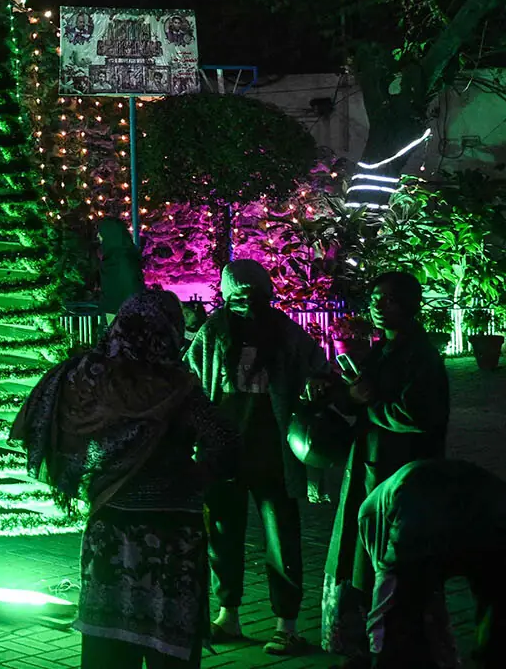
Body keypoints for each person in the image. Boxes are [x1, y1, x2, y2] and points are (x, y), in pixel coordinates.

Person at [11, 290, 237, 668]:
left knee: (108, 640)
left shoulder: (83, 378)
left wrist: (91, 473)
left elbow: (46, 428)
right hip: (172, 531)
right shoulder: (178, 389)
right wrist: (199, 477)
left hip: (110, 523)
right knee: (169, 641)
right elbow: (226, 441)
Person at [184, 259, 328, 654]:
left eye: (252, 295)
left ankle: (287, 624)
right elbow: (189, 378)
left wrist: (318, 382)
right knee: (222, 538)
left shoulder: (283, 332)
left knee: (282, 537)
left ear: (266, 293)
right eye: (237, 296)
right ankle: (228, 616)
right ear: (227, 296)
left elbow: (320, 367)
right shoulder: (215, 331)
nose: (245, 303)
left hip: (273, 452)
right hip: (222, 452)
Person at [323, 271, 451, 662]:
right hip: (371, 471)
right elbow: (362, 397)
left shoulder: (422, 357)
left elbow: (416, 414)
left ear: (411, 305)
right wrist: (341, 393)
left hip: (403, 476)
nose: (379, 306)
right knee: (364, 559)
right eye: (375, 298)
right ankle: (367, 642)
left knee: (395, 565)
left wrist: (370, 401)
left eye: (390, 300)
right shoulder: (382, 351)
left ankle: (395, 645)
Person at [358, 459, 505, 669]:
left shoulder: (374, 518)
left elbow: (389, 590)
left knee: (401, 606)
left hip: (428, 508)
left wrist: (377, 649)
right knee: (497, 605)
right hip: (492, 507)